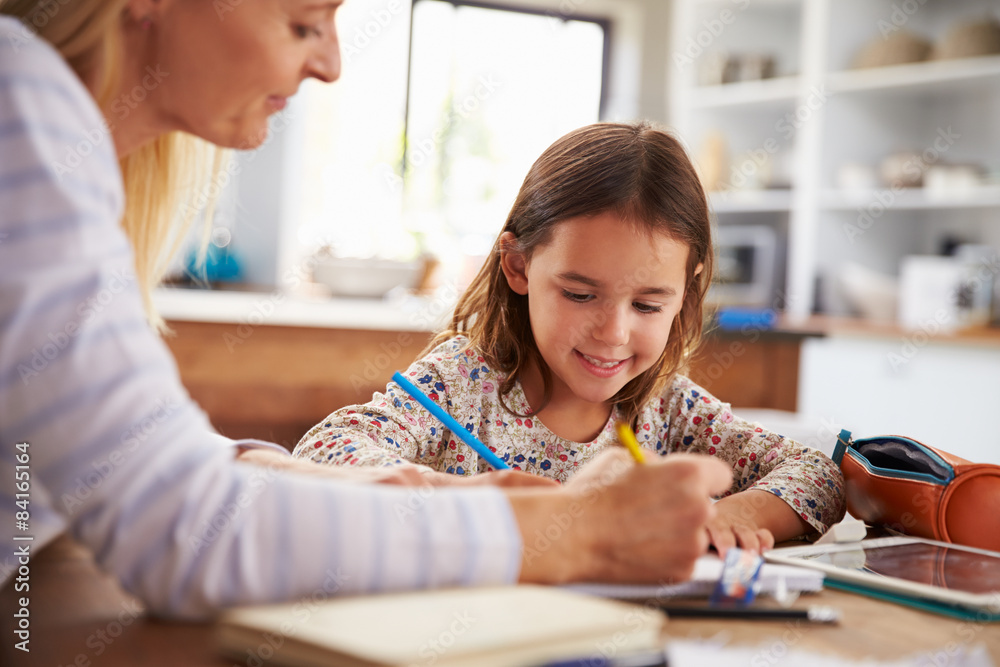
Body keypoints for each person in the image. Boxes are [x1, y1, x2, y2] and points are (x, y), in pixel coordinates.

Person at [0, 0, 733, 620]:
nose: (330, 65)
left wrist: (381, 486)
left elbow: (118, 466)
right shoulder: (21, 107)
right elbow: (180, 530)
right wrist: (572, 531)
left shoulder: (54, 133)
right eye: (304, 21)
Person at [292, 121, 847, 554]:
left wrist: (735, 515)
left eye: (649, 304)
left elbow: (816, 474)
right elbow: (324, 452)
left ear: (688, 289)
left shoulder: (670, 409)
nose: (613, 332)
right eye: (580, 295)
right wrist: (483, 504)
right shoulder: (459, 384)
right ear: (518, 266)